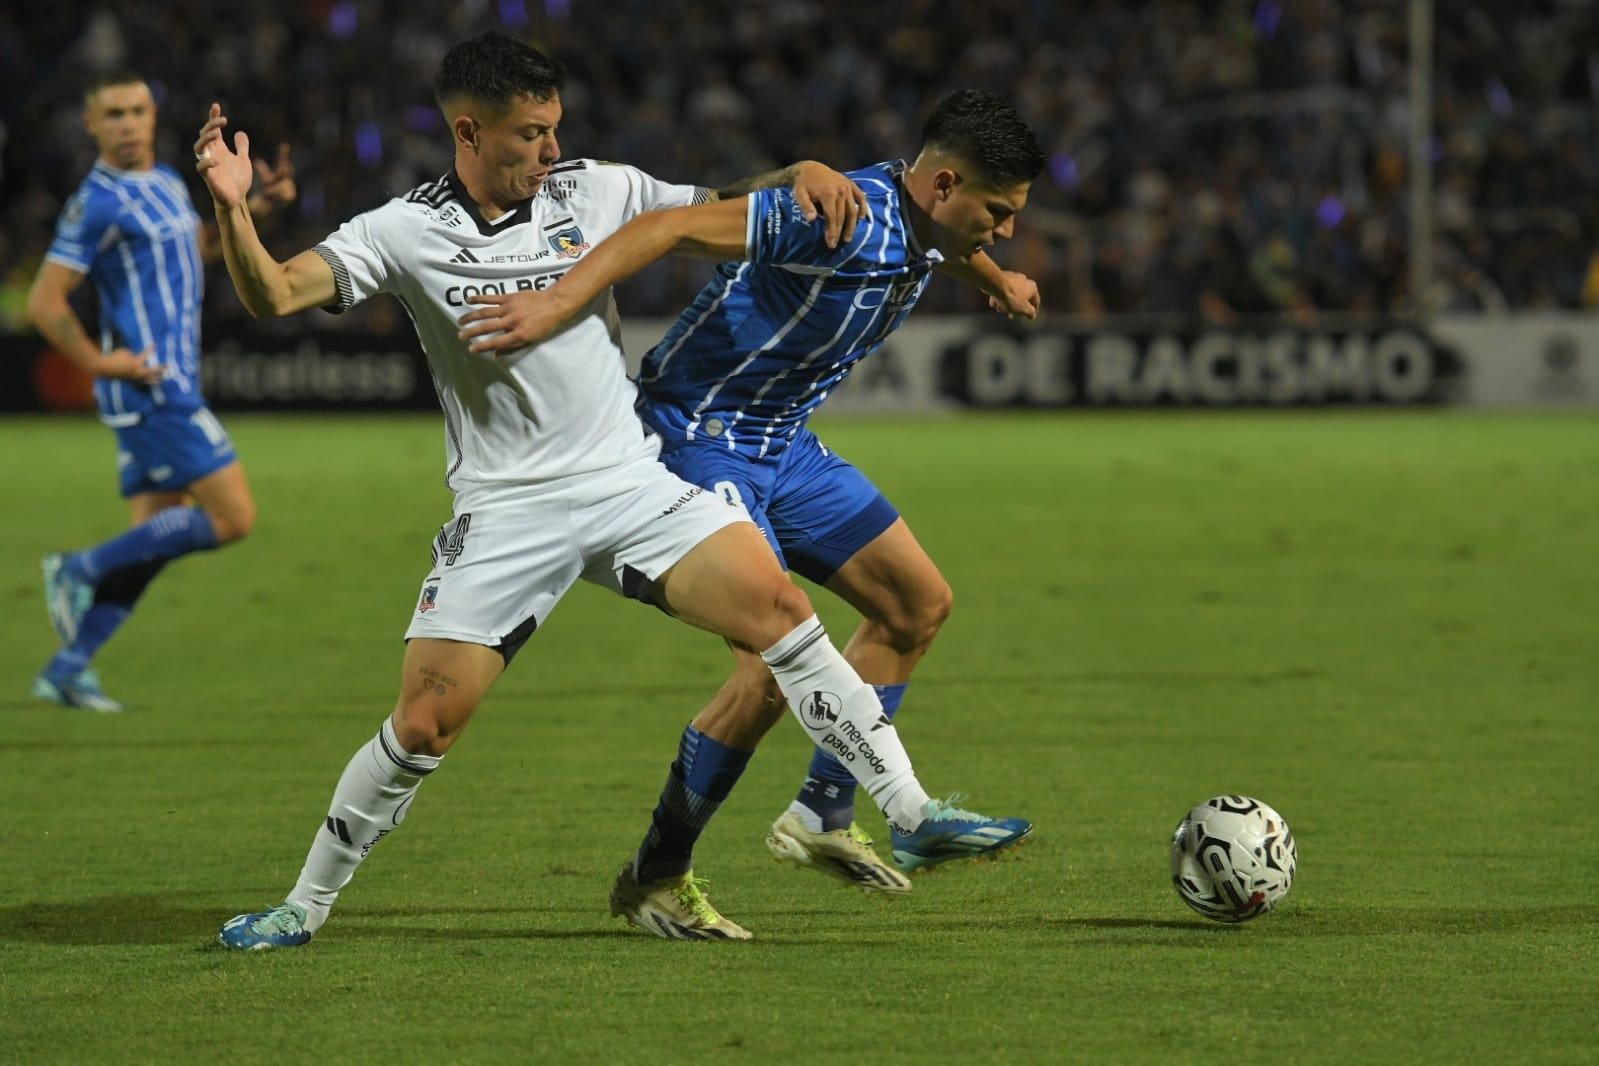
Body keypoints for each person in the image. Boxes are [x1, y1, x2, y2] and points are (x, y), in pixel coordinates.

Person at [202, 31, 1027, 948]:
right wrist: (235, 212)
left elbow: (730, 208)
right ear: (469, 132)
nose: (550, 150)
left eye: (555, 128)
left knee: (780, 613)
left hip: (631, 481)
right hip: (507, 509)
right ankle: (302, 907)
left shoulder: (597, 188)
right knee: (425, 726)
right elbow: (273, 295)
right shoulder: (401, 230)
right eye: (529, 135)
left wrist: (803, 166)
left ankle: (901, 807)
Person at [456, 89, 1044, 892]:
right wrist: (553, 304)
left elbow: (943, 242)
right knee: (769, 665)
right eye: (999, 213)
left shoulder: (922, 211)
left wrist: (996, 273)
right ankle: (657, 871)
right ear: (943, 186)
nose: (1005, 228)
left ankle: (820, 818)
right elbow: (665, 229)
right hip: (698, 438)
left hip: (783, 445)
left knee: (915, 604)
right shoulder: (830, 216)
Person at [28, 72, 296, 713]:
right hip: (153, 387)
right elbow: (46, 299)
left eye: (137, 110)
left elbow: (189, 249)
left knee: (153, 543)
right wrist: (99, 361)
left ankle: (68, 667)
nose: (127, 122)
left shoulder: (169, 184)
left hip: (170, 380)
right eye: (113, 113)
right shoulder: (97, 203)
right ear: (93, 126)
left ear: (153, 118)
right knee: (233, 518)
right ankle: (78, 568)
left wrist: (256, 209)